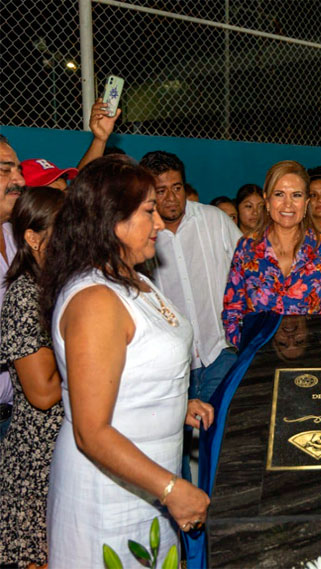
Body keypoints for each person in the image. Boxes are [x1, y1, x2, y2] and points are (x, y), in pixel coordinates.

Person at [41, 156, 214, 567]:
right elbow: (92, 431)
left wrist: (172, 403)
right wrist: (172, 489)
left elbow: (135, 368)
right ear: (111, 220)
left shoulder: (133, 278)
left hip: (146, 483)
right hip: (108, 496)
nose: (159, 223)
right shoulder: (95, 300)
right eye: (148, 212)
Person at [140, 151, 241, 405]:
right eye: (161, 191)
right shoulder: (140, 233)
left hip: (220, 352)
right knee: (181, 443)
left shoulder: (214, 220)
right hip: (171, 366)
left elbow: (248, 271)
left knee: (219, 437)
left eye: (177, 188)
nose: (172, 198)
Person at [0, 187, 65, 568]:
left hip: (62, 445)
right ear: (33, 237)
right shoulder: (25, 296)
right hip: (37, 458)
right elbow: (41, 394)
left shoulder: (58, 289)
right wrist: (92, 368)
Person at [222, 160, 321, 347]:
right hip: (259, 360)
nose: (288, 204)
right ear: (267, 201)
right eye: (279, 194)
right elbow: (232, 308)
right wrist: (248, 346)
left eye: (296, 195)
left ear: (306, 203)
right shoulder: (247, 247)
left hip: (309, 360)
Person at [0, 136, 24, 440]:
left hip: (16, 414)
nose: (19, 179)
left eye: (18, 169)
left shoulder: (16, 234)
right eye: (6, 170)